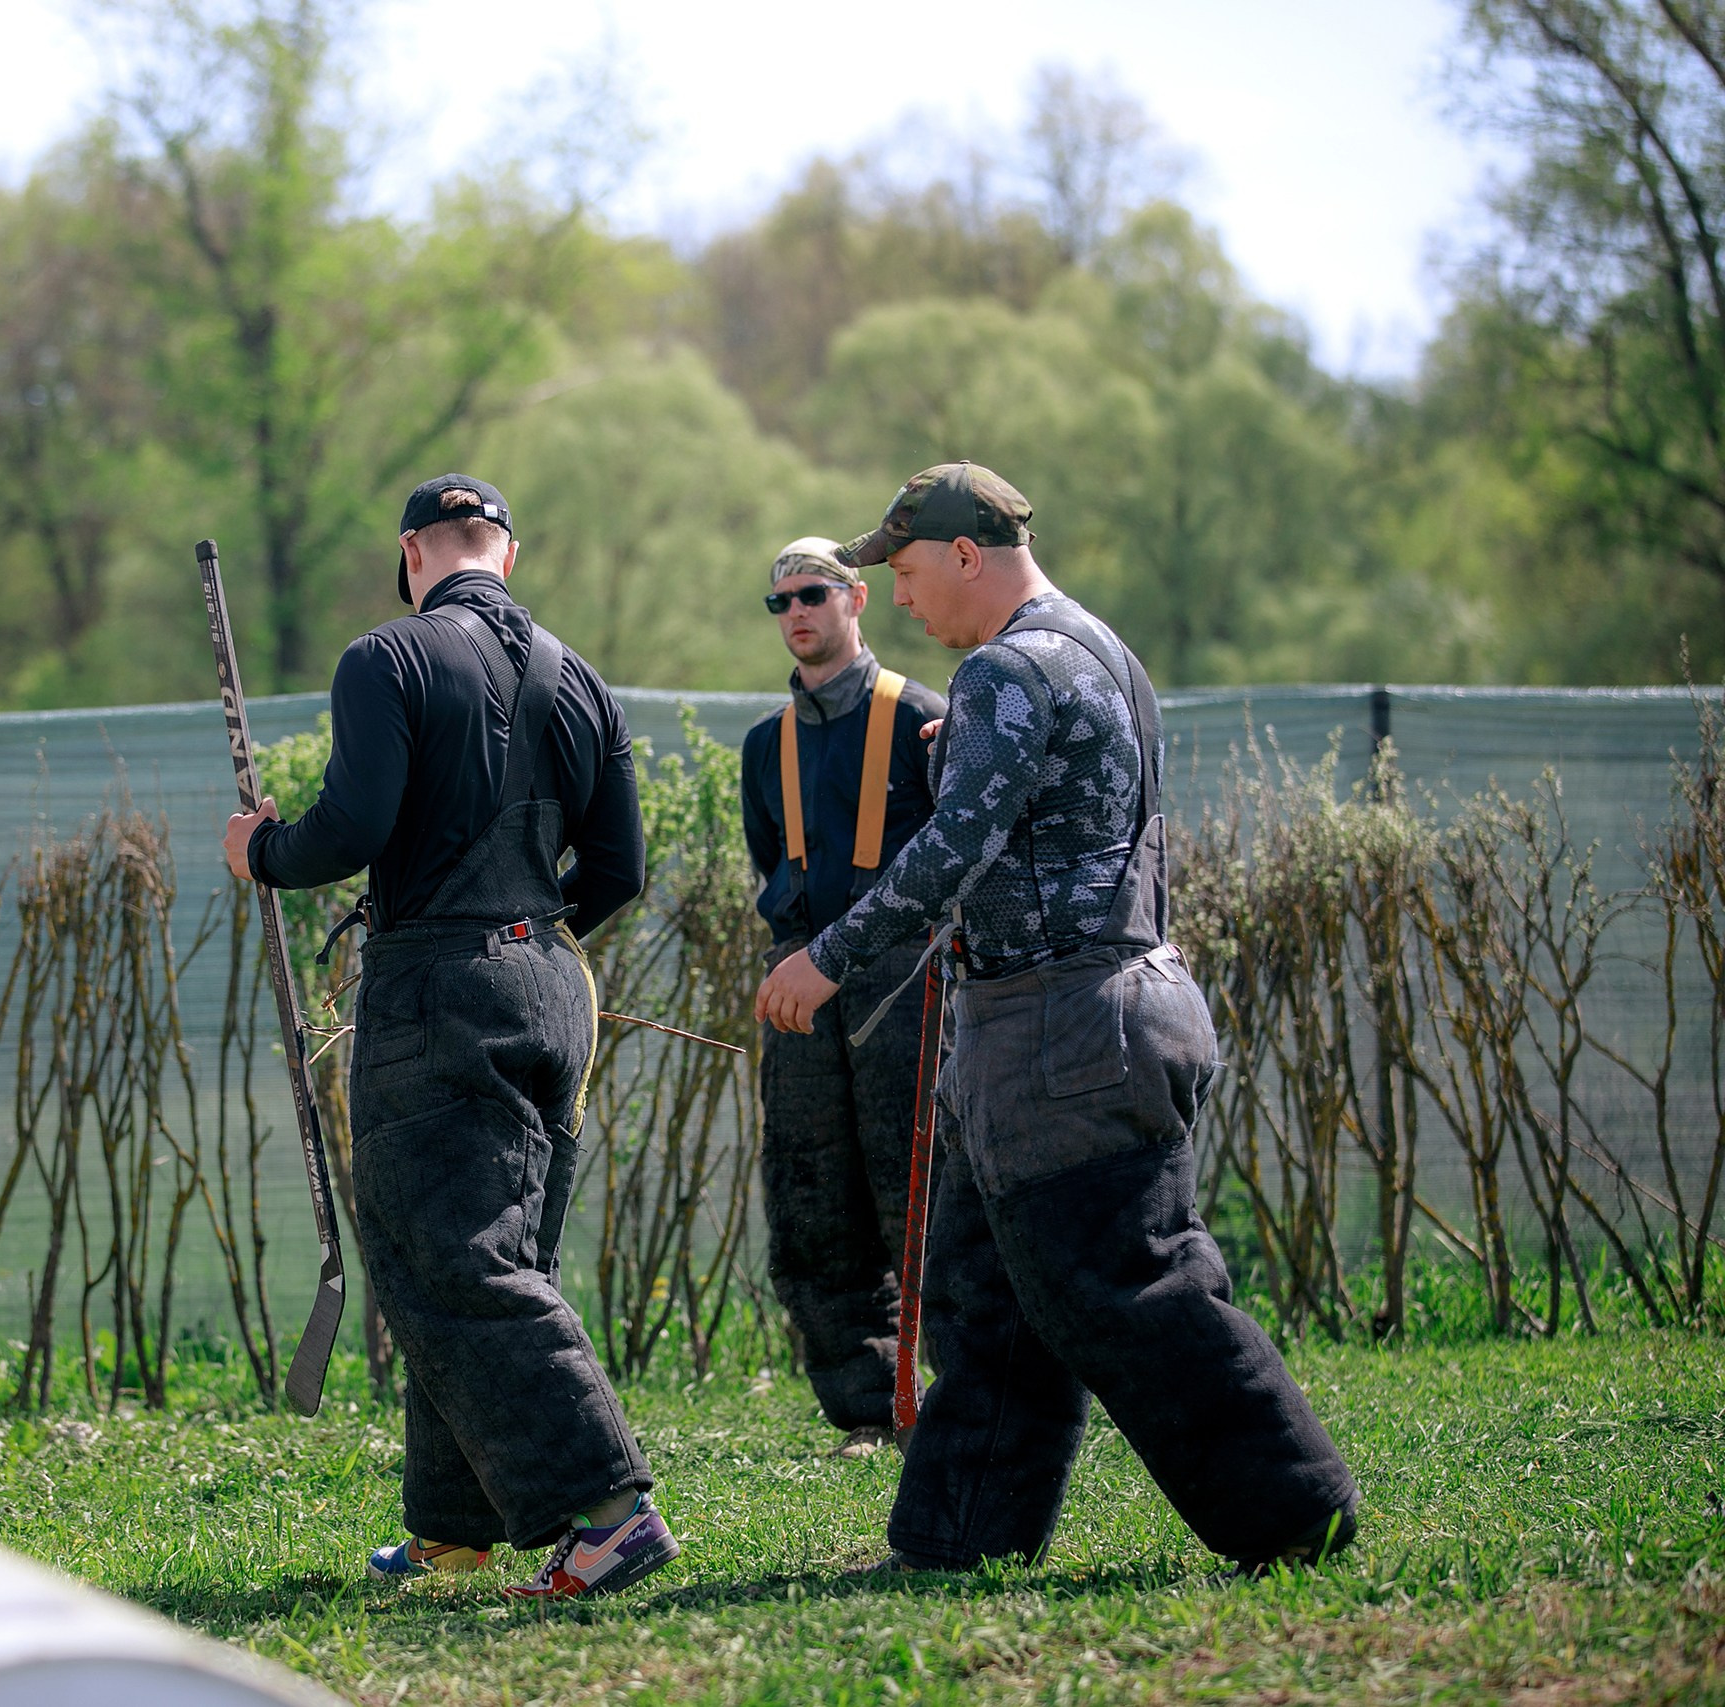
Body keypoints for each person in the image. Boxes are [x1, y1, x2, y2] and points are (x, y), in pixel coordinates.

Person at [753, 462, 1358, 1575]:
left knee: (1127, 1282)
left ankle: (1296, 1513)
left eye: (908, 569)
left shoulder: (1004, 671)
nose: (896, 596)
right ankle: (958, 1539)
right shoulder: (1095, 651)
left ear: (968, 556)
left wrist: (825, 962)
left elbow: (945, 858)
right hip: (1098, 1009)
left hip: (1061, 1031)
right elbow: (1062, 808)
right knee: (993, 1301)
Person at [223, 474, 676, 1600]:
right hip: (552, 982)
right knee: (478, 1250)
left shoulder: (387, 658)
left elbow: (355, 828)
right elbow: (619, 870)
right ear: (505, 555)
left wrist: (261, 856)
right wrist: (531, 939)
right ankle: (456, 1526)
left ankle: (612, 1514)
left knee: (451, 1255)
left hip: (437, 985)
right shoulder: (581, 679)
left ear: (410, 554)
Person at [739, 539, 946, 1457]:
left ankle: (969, 1394)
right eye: (779, 601)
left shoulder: (926, 719)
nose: (796, 613)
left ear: (857, 597)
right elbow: (768, 860)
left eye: (812, 593)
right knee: (812, 1200)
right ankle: (869, 1408)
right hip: (802, 993)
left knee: (927, 1195)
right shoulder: (762, 746)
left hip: (908, 983)